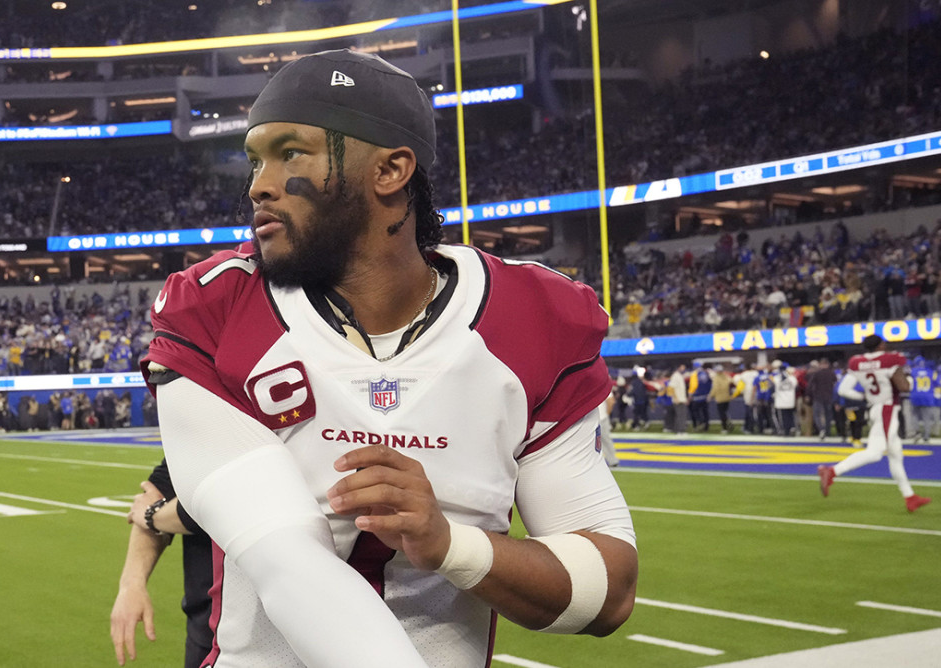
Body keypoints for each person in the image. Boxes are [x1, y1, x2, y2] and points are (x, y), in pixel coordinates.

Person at [140, 49, 637, 667]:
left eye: (290, 152)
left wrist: (450, 544)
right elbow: (287, 560)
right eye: (255, 159)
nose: (258, 186)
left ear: (391, 170)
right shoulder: (215, 307)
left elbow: (608, 593)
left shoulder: (534, 320)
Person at [110, 459, 213, 668]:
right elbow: (161, 487)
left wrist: (152, 515)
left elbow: (217, 501)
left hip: (273, 623)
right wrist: (132, 583)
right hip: (207, 623)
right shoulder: (198, 433)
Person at [818, 335, 930, 512]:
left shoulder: (857, 362)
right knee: (875, 453)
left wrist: (863, 397)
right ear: (881, 345)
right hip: (887, 409)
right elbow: (904, 387)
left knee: (896, 455)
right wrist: (910, 380)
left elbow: (843, 390)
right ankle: (832, 471)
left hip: (875, 407)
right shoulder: (890, 359)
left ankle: (910, 497)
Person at [910, 357, 941, 443]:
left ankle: (917, 433)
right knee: (926, 418)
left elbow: (909, 382)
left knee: (914, 416)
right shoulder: (931, 372)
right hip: (927, 396)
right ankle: (926, 436)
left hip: (915, 395)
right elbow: (938, 383)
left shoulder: (912, 371)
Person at [807, 358, 837, 440]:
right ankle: (827, 431)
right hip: (829, 397)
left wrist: (809, 395)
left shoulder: (817, 373)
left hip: (818, 397)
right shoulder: (831, 373)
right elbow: (836, 385)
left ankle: (822, 429)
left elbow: (810, 386)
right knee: (828, 415)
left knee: (817, 415)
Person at [771, 362, 798, 436]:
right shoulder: (792, 378)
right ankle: (791, 429)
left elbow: (772, 388)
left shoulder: (776, 378)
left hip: (781, 401)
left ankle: (785, 431)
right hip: (790, 401)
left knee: (783, 418)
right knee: (790, 416)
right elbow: (796, 387)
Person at [708, 364, 734, 433]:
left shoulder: (716, 378)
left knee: (721, 413)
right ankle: (728, 422)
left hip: (720, 398)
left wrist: (710, 396)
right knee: (725, 412)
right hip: (727, 397)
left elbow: (715, 388)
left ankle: (724, 428)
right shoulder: (726, 376)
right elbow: (732, 381)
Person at [687, 361, 712, 431]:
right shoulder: (706, 373)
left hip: (697, 397)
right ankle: (706, 426)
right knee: (705, 412)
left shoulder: (694, 374)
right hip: (705, 396)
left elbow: (693, 386)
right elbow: (710, 383)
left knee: (695, 412)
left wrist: (690, 395)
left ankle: (699, 423)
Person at [667, 364, 689, 434]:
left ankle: (681, 430)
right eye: (682, 367)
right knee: (680, 415)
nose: (683, 369)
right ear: (678, 368)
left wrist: (685, 399)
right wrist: (675, 398)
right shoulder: (675, 376)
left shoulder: (680, 376)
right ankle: (679, 431)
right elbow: (670, 388)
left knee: (682, 415)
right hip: (678, 400)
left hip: (682, 399)